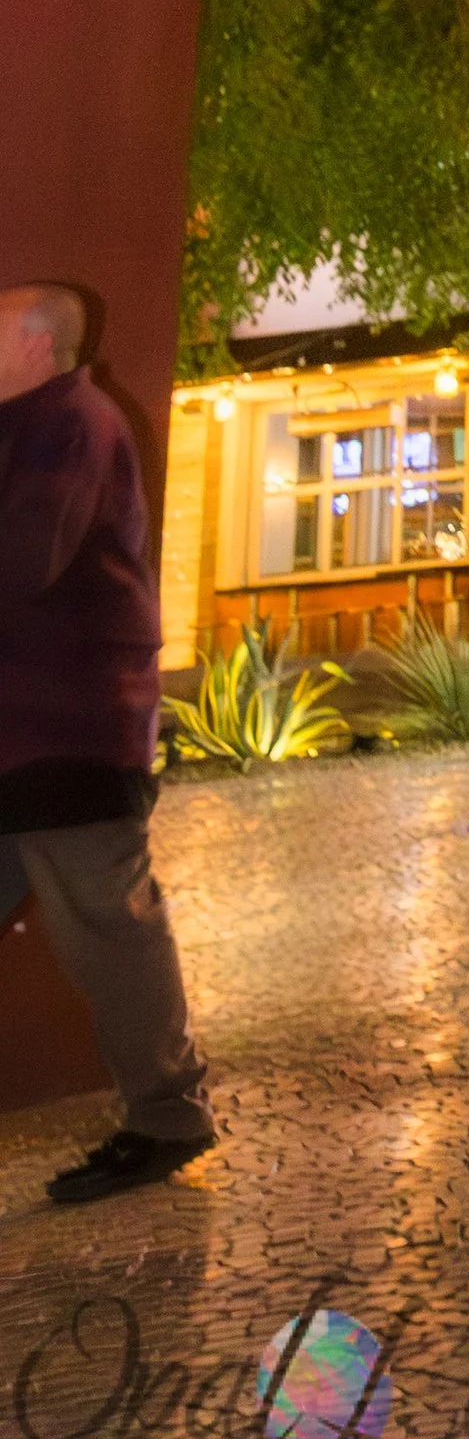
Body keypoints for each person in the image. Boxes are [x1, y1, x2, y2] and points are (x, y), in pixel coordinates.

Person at [0, 277, 217, 1202]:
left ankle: (169, 1116)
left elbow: (20, 562)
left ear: (37, 347)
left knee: (112, 934)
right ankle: (166, 1112)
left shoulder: (72, 427)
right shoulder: (34, 426)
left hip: (67, 736)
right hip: (26, 739)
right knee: (109, 931)